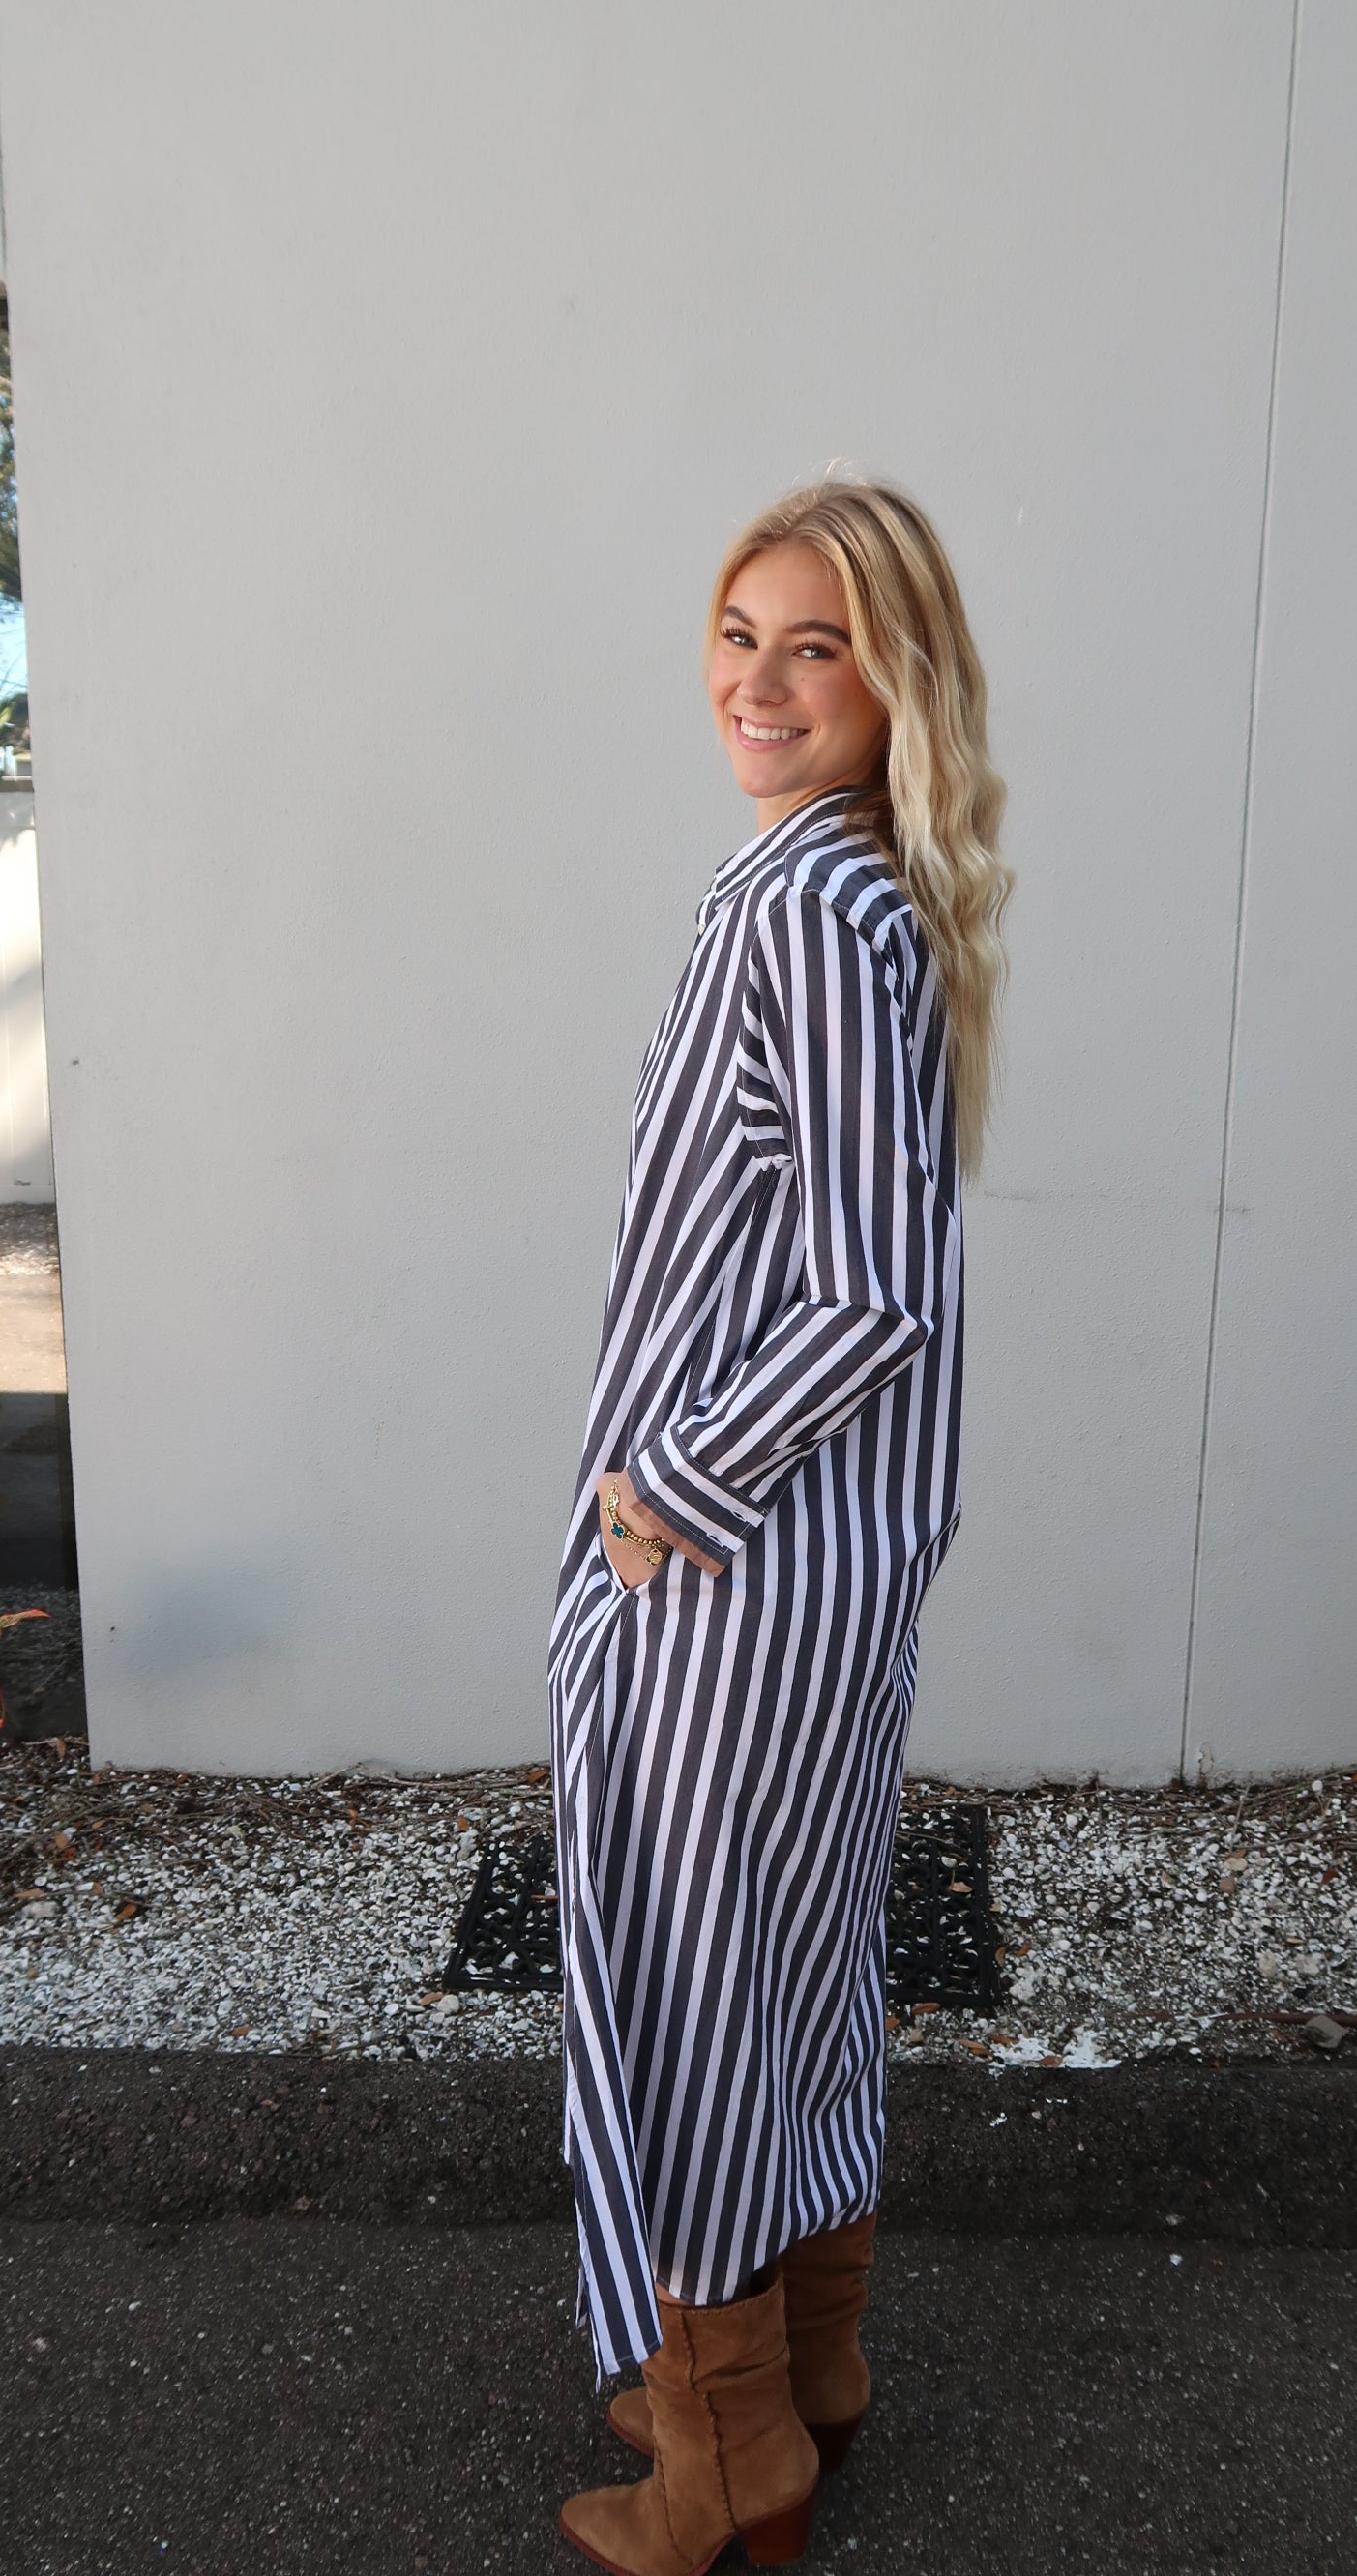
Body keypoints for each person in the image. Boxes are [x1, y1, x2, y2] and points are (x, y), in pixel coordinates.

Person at [549, 477, 1012, 2573]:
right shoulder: (839, 896)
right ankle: (805, 2361)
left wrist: (669, 1485)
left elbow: (871, 1289)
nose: (759, 680)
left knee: (696, 1989)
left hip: (731, 1573)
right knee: (793, 1965)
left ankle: (727, 2456)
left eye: (813, 643)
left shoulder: (814, 910)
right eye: (739, 633)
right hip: (807, 1574)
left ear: (893, 675)